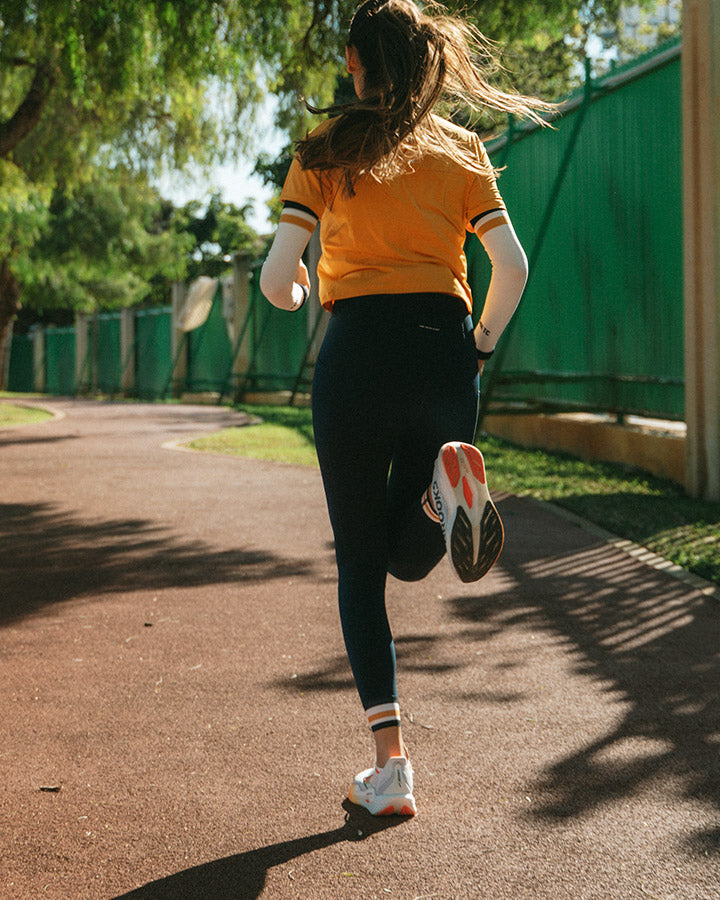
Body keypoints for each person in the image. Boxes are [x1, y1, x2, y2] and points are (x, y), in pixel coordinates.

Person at [260, 0, 553, 817]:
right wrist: (480, 347)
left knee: (363, 565)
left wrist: (295, 293)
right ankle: (438, 496)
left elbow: (277, 281)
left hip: (356, 352)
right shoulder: (462, 150)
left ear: (356, 63)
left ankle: (391, 771)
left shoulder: (324, 149)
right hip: (442, 351)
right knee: (409, 554)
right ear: (426, 62)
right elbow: (511, 267)